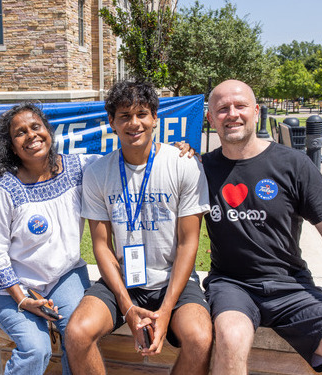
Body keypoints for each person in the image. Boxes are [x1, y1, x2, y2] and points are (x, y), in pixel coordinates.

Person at [203, 79, 322, 374]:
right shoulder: (201, 169)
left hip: (291, 286)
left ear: (256, 110)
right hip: (231, 285)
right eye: (223, 109)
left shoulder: (294, 164)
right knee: (230, 337)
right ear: (210, 118)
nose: (233, 114)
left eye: (240, 106)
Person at [66, 80, 213, 375]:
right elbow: (101, 246)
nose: (134, 123)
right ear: (112, 122)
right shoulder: (97, 173)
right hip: (122, 281)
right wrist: (127, 306)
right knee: (76, 333)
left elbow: (188, 244)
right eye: (124, 116)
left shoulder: (183, 164)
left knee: (200, 338)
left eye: (142, 114)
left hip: (172, 280)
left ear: (155, 118)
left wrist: (167, 308)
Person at [0, 102, 97, 375]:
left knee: (78, 336)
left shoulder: (79, 167)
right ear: (11, 146)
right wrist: (23, 299)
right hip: (8, 286)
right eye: (20, 132)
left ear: (48, 131)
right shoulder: (4, 191)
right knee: (36, 348)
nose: (31, 135)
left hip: (62, 275)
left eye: (36, 126)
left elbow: (123, 160)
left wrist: (179, 153)